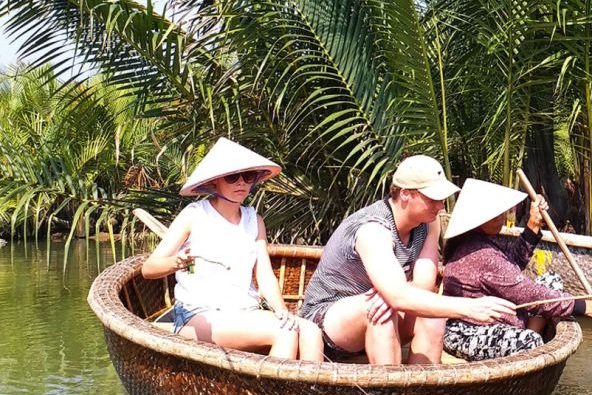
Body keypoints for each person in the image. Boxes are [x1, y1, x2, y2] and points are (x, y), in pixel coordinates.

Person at [299, 156, 516, 365]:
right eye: (432, 199)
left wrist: (394, 294)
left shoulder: (429, 223)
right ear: (405, 194)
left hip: (383, 309)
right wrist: (469, 308)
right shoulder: (373, 230)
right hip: (328, 322)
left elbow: (423, 284)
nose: (440, 206)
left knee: (431, 314)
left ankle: (420, 394)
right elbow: (398, 297)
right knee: (380, 310)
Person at [142, 138, 323, 361]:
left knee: (311, 333)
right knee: (285, 333)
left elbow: (264, 273)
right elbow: (149, 269)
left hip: (245, 312)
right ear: (215, 181)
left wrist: (281, 310)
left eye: (247, 177)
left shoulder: (254, 220)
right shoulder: (194, 215)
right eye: (232, 177)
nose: (241, 183)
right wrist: (176, 262)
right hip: (197, 313)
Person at [441, 179, 592, 361]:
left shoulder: (483, 241)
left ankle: (530, 331)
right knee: (530, 342)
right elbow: (529, 295)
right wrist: (582, 306)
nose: (503, 217)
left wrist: (534, 224)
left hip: (499, 319)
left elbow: (510, 266)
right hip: (467, 331)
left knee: (551, 280)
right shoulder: (479, 252)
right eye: (496, 214)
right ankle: (530, 341)